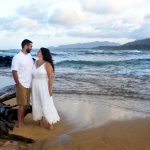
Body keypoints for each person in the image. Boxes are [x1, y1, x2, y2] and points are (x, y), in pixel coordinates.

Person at [31, 47, 60, 130]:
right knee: (36, 102)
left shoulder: (47, 64)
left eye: (39, 51)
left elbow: (50, 78)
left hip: (44, 86)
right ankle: (40, 120)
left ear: (43, 53)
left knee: (46, 103)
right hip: (35, 85)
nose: (37, 52)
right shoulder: (35, 62)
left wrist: (50, 90)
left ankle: (50, 123)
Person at [11, 39, 34, 128]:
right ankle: (19, 123)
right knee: (22, 105)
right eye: (30, 46)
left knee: (25, 105)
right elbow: (14, 71)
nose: (31, 48)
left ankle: (22, 121)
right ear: (25, 46)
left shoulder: (29, 56)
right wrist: (18, 83)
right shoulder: (17, 57)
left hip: (29, 84)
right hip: (21, 84)